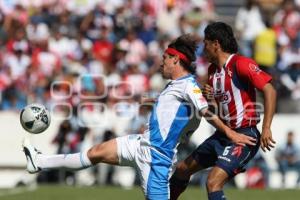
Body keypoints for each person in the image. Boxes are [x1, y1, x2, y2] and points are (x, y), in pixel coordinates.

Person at [22, 34, 255, 200]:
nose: (161, 62)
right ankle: (39, 162)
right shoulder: (174, 85)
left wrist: (231, 133)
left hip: (156, 160)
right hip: (139, 144)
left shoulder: (188, 87)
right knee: (95, 152)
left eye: (165, 57)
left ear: (175, 60)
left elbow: (207, 112)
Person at [170, 22, 277, 200]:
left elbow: (270, 90)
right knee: (182, 169)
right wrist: (210, 100)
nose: (203, 49)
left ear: (216, 44)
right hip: (222, 135)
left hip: (244, 136)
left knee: (213, 182)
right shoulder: (213, 71)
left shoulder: (240, 63)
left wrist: (266, 128)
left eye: (205, 43)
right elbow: (218, 110)